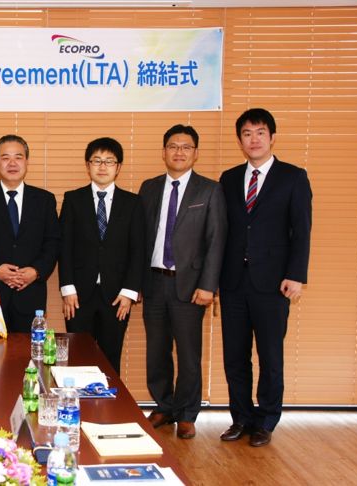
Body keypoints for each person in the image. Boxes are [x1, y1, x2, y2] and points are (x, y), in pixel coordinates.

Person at [219, 108, 312, 447]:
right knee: (235, 357)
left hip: (273, 284)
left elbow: (302, 230)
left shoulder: (293, 177)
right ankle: (241, 418)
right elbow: (223, 231)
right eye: (247, 133)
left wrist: (296, 275)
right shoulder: (229, 179)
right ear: (240, 140)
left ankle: (267, 420)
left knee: (270, 356)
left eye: (260, 132)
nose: (254, 139)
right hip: (233, 282)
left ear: (272, 137)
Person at [139, 125, 227, 439]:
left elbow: (216, 241)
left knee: (189, 353)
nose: (179, 152)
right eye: (173, 146)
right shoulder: (149, 187)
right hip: (153, 281)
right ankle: (164, 405)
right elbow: (140, 237)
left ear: (195, 153)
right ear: (163, 152)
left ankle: (187, 413)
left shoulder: (210, 190)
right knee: (157, 350)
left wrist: (209, 285)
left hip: (190, 286)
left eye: (186, 147)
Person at [58, 137, 144, 374]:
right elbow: (64, 247)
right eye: (97, 161)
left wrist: (129, 292)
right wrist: (67, 288)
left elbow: (138, 250)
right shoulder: (73, 199)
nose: (103, 166)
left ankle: (109, 399)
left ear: (118, 167)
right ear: (88, 166)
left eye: (109, 161)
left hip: (117, 296)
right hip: (78, 295)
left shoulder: (133, 203)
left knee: (110, 358)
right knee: (77, 357)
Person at [0, 135, 60, 333]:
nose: (12, 163)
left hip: (31, 294)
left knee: (28, 351)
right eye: (5, 157)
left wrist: (36, 271)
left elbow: (53, 242)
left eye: (18, 157)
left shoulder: (44, 200)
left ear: (26, 162)